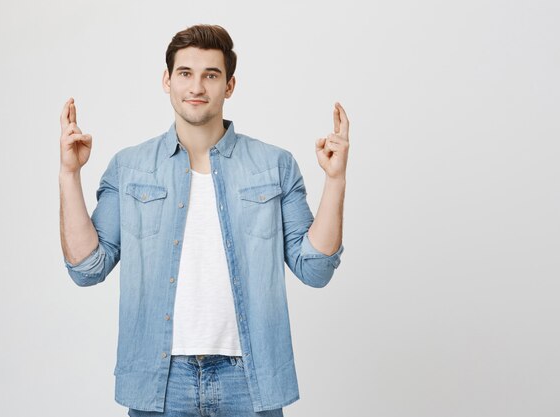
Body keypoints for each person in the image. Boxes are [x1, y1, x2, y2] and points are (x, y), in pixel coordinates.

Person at [59, 24, 349, 417]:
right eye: (185, 73)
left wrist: (334, 180)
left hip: (250, 380)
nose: (197, 86)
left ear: (229, 86)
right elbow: (87, 269)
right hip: (159, 382)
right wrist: (69, 174)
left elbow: (315, 269)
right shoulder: (130, 167)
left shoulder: (273, 165)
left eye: (211, 75)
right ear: (167, 80)